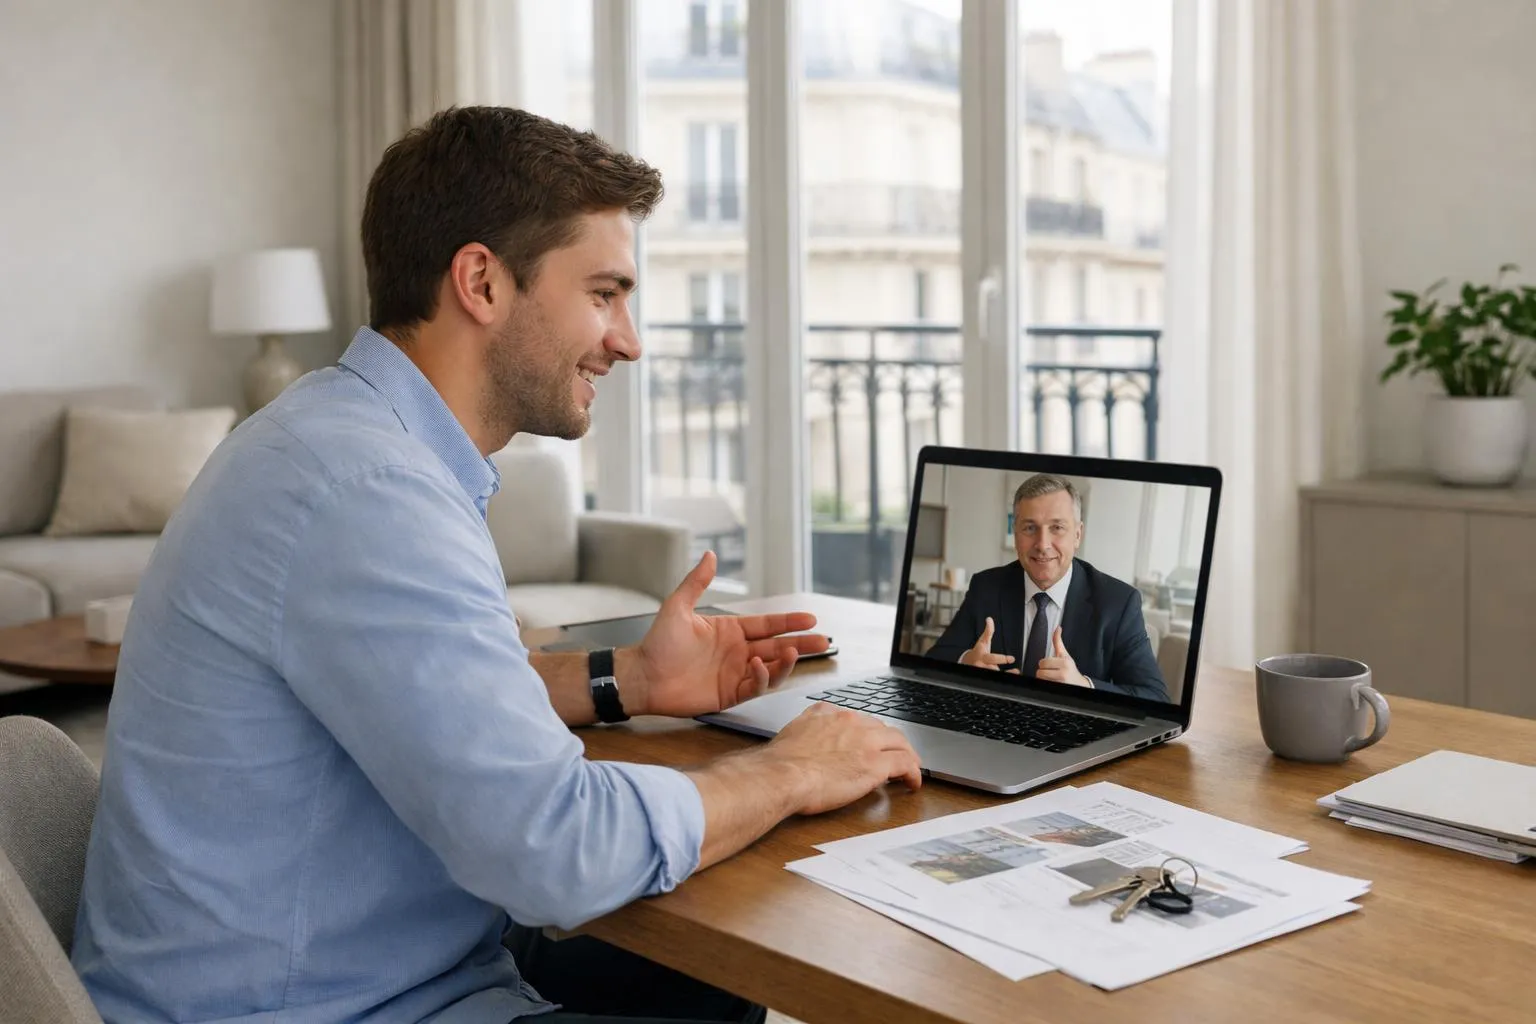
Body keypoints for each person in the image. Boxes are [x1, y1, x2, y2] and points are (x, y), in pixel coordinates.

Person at [71, 106, 922, 1024]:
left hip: (358, 960)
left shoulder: (339, 435)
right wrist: (791, 770)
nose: (629, 340)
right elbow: (559, 853)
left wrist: (627, 676)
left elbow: (425, 692)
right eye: (604, 294)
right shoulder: (367, 490)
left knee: (722, 978)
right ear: (480, 280)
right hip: (321, 1005)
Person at [925, 473, 1168, 701]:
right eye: (1030, 528)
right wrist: (966, 661)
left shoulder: (1118, 602)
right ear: (1016, 533)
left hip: (1075, 733)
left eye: (1057, 528)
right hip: (995, 725)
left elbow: (1155, 697)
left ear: (1077, 535)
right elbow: (933, 661)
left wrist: (1083, 686)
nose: (1042, 544)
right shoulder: (986, 586)